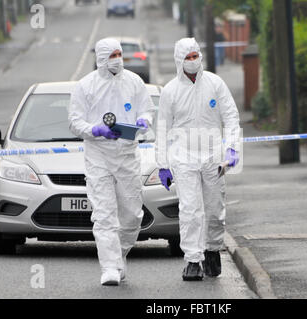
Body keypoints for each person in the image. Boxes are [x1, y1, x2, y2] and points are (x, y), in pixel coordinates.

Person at [68, 37, 154, 286]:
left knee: (132, 216)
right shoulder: (86, 86)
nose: (118, 58)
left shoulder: (134, 82)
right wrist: (96, 131)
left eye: (120, 54)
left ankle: (119, 257)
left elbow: (146, 110)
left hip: (128, 156)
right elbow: (75, 122)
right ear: (102, 58)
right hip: (99, 157)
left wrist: (143, 122)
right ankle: (109, 267)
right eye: (113, 54)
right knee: (104, 214)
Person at [156, 38, 241, 281]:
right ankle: (192, 260)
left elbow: (231, 116)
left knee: (214, 209)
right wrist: (163, 164)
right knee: (190, 210)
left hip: (213, 156)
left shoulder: (215, 84)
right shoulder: (171, 91)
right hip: (183, 157)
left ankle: (212, 249)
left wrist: (232, 149)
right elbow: (162, 129)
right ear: (179, 61)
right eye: (188, 58)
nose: (193, 61)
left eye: (195, 56)